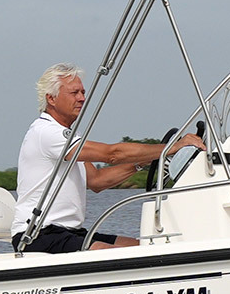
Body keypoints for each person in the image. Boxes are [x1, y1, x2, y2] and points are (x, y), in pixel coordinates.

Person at [13, 64, 202, 253]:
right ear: (51, 98)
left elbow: (97, 180)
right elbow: (112, 154)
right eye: (74, 93)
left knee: (142, 246)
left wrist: (141, 162)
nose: (82, 98)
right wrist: (173, 147)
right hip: (37, 234)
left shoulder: (69, 137)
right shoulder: (46, 132)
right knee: (115, 253)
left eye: (83, 92)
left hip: (68, 232)